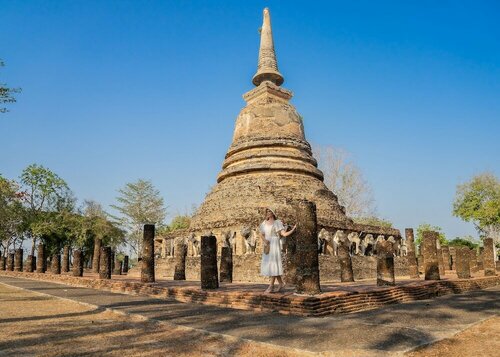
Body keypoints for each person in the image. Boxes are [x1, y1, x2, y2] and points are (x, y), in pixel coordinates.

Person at [259, 207, 296, 293]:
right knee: (269, 264)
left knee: (273, 264)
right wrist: (265, 240)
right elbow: (261, 234)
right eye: (267, 211)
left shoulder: (277, 222)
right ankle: (281, 283)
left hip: (275, 244)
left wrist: (293, 229)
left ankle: (271, 286)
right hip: (267, 245)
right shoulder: (264, 223)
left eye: (269, 211)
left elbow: (284, 234)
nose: (268, 212)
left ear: (273, 213)